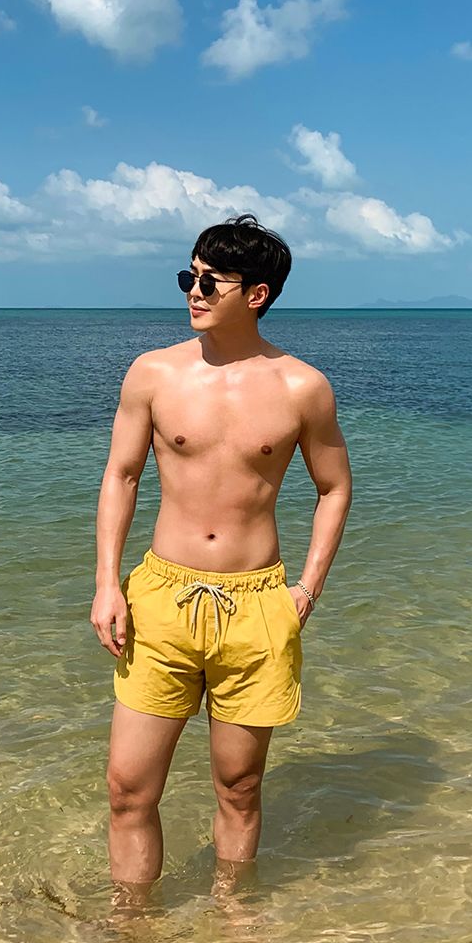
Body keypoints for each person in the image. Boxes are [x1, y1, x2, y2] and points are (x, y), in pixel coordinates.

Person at [91, 212, 352, 894]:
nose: (194, 291)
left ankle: (233, 919)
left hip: (256, 605)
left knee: (239, 787)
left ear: (257, 294)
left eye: (211, 281)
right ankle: (131, 926)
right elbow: (121, 475)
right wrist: (107, 583)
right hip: (161, 599)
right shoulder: (153, 374)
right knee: (127, 787)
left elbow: (334, 488)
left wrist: (306, 590)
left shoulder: (303, 387)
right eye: (189, 276)